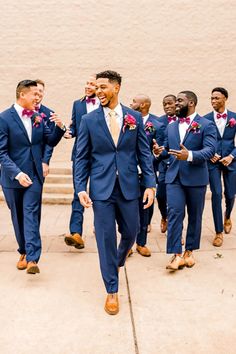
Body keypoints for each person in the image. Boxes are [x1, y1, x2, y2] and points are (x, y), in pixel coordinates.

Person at [74, 70, 156, 315]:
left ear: (117, 87)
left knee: (131, 232)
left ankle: (117, 262)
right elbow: (81, 157)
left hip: (130, 186)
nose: (98, 91)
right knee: (105, 237)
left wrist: (150, 184)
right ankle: (112, 289)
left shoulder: (134, 118)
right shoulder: (89, 120)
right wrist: (80, 187)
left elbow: (144, 153)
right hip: (101, 188)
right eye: (96, 87)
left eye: (103, 87)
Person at [0, 80, 66, 274]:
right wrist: (17, 174)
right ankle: (23, 250)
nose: (38, 98)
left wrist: (59, 127)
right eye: (34, 94)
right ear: (22, 94)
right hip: (13, 177)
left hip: (35, 175)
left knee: (31, 213)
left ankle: (32, 258)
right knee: (18, 215)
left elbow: (50, 140)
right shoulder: (4, 118)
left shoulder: (38, 117)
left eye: (39, 94)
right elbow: (2, 152)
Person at [153, 91, 216, 271]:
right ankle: (176, 255)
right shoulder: (171, 126)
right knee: (174, 214)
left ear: (191, 103)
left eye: (179, 101)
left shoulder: (206, 125)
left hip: (196, 179)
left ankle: (189, 251)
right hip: (174, 178)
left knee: (195, 216)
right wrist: (160, 151)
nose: (175, 104)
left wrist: (189, 155)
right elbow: (169, 150)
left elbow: (210, 150)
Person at [64, 75, 100, 250]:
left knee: (100, 192)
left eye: (92, 84)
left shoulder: (104, 104)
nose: (88, 86)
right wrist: (69, 131)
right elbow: (75, 127)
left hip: (100, 156)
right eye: (86, 83)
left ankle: (100, 227)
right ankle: (75, 232)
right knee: (78, 192)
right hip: (79, 154)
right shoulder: (77, 104)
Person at [130, 94, 165, 257]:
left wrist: (149, 160)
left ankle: (141, 243)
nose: (131, 103)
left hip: (147, 172)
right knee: (128, 210)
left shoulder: (157, 124)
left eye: (134, 101)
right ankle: (127, 244)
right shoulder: (126, 120)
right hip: (128, 171)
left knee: (144, 209)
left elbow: (160, 151)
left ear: (143, 105)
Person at [204, 87, 236, 247]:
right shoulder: (205, 119)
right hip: (213, 163)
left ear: (225, 98)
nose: (213, 101)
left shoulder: (234, 118)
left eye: (216, 98)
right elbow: (201, 141)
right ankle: (218, 232)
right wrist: (210, 153)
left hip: (231, 161)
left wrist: (232, 156)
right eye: (211, 98)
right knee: (216, 194)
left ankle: (228, 215)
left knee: (230, 194)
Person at [157, 95, 177, 233]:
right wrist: (157, 151)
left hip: (178, 163)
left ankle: (175, 229)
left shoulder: (182, 120)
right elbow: (157, 142)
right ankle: (164, 216)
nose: (167, 106)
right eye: (164, 104)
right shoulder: (158, 122)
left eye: (170, 103)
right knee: (161, 195)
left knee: (176, 201)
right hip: (163, 164)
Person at [35, 79, 55, 178]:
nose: (38, 93)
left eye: (41, 91)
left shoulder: (49, 114)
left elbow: (50, 142)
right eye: (36, 90)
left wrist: (45, 161)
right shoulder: (20, 111)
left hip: (39, 160)